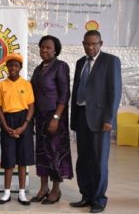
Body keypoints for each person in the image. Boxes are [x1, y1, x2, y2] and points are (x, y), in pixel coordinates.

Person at [70, 30, 122, 213]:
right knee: (83, 160)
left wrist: (109, 118)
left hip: (101, 120)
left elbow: (114, 93)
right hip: (82, 117)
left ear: (101, 43)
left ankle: (99, 199)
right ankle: (86, 195)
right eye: (87, 44)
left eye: (94, 44)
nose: (90, 47)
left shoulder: (111, 61)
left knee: (99, 161)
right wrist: (74, 119)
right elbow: (77, 90)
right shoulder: (80, 63)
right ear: (83, 43)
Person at [30, 35, 73, 204]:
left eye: (48, 47)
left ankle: (56, 189)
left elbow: (65, 94)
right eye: (42, 47)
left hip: (55, 117)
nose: (44, 50)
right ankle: (43, 188)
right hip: (40, 117)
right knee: (41, 152)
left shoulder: (60, 66)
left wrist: (56, 117)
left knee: (55, 153)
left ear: (56, 50)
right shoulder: (38, 69)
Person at [0, 53, 34, 206]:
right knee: (9, 159)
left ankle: (22, 193)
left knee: (23, 160)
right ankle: (6, 193)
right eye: (10, 65)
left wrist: (25, 125)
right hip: (8, 120)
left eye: (16, 65)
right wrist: (5, 126)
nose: (13, 68)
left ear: (20, 68)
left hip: (23, 120)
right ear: (7, 67)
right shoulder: (1, 85)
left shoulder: (26, 85)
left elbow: (31, 106)